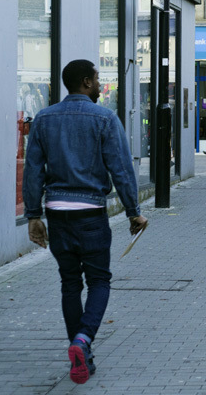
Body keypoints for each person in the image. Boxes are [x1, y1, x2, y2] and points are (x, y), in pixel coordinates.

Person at [23, 59, 148, 385]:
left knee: (69, 283)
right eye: (96, 79)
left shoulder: (45, 119)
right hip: (91, 213)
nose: (98, 83)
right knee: (99, 281)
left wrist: (33, 215)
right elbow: (121, 168)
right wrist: (133, 210)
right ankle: (83, 341)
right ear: (85, 82)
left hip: (57, 213)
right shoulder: (105, 118)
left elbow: (33, 170)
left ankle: (81, 356)